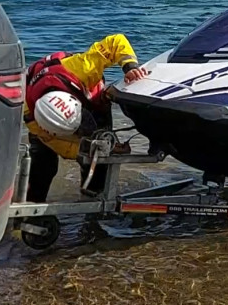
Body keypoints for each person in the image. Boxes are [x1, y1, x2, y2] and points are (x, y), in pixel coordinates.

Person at [23, 34, 149, 203]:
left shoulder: (81, 68)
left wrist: (130, 67)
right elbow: (68, 149)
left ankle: (93, 208)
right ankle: (32, 209)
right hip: (47, 125)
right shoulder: (32, 119)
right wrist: (91, 147)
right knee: (42, 166)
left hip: (93, 103)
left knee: (99, 164)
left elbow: (116, 41)